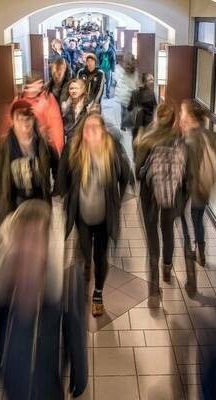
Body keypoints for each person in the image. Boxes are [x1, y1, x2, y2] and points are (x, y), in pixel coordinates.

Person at [0, 200, 88, 398]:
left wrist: (80, 373)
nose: (27, 246)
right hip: (13, 383)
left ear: (48, 244)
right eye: (21, 237)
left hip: (49, 386)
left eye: (35, 238)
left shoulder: (66, 286)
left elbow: (76, 333)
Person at [57, 112, 132, 316]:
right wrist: (66, 196)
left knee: (100, 257)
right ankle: (84, 275)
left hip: (104, 217)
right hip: (82, 216)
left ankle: (98, 293)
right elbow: (61, 177)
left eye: (95, 127)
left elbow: (126, 175)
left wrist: (118, 200)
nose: (90, 131)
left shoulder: (113, 150)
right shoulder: (73, 150)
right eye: (87, 128)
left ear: (103, 131)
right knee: (83, 253)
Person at [134, 104, 194, 301]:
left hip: (150, 195)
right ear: (174, 121)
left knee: (153, 238)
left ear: (156, 120)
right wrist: (182, 200)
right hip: (172, 195)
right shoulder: (181, 142)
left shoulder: (146, 140)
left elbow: (138, 172)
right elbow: (188, 176)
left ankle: (154, 288)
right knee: (167, 230)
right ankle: (167, 268)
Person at [0, 100, 58, 221]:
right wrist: (1, 206)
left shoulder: (43, 143)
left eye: (28, 119)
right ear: (12, 121)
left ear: (33, 120)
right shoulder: (4, 147)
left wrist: (56, 192)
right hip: (15, 205)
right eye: (20, 119)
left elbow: (57, 166)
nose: (25, 124)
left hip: (40, 202)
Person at [179, 100, 216, 267]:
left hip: (192, 186)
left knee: (184, 216)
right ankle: (201, 253)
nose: (181, 115)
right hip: (206, 186)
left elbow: (185, 168)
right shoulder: (213, 136)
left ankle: (192, 249)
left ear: (191, 117)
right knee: (198, 218)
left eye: (183, 112)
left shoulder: (190, 139)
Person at [18, 75, 65, 153]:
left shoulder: (48, 99)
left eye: (40, 84)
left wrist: (57, 149)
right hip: (23, 147)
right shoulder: (19, 100)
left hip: (43, 146)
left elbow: (56, 125)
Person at [128, 73, 157, 140]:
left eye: (153, 79)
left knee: (136, 142)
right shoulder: (151, 93)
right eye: (150, 80)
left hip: (137, 123)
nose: (152, 81)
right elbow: (155, 108)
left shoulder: (134, 92)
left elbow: (129, 108)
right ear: (145, 81)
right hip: (147, 124)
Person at [114, 54, 138, 128]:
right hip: (131, 94)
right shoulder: (135, 72)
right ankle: (129, 123)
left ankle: (123, 125)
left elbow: (117, 80)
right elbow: (136, 83)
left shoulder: (121, 71)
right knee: (130, 109)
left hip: (123, 94)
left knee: (123, 110)